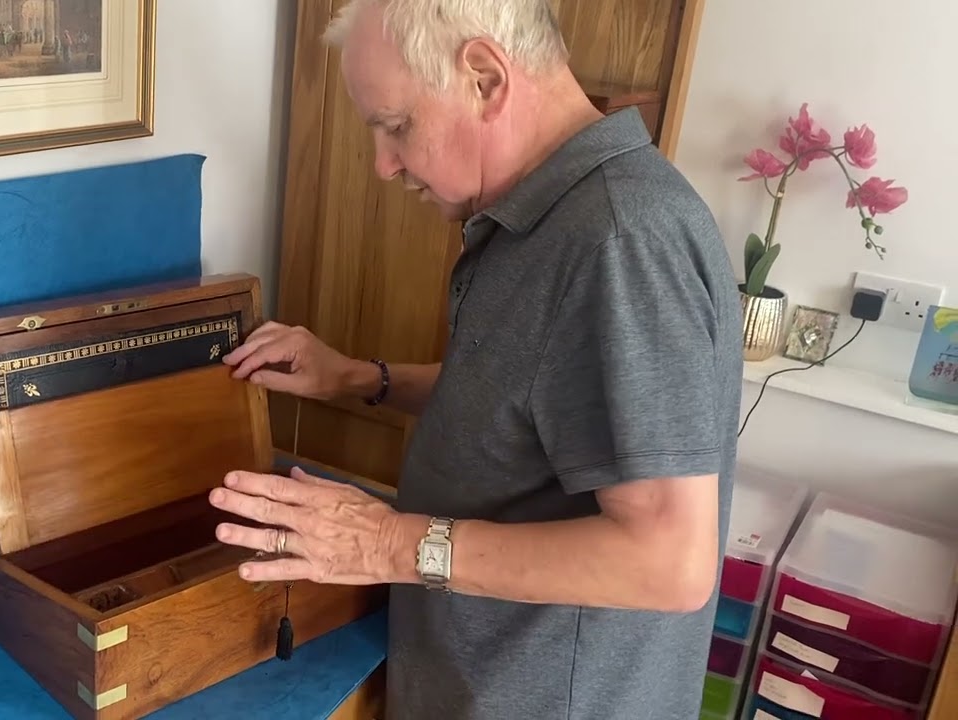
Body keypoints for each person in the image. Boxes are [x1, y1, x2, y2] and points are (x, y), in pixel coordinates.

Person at [207, 1, 744, 717]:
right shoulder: (540, 217)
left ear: (486, 78)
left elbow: (669, 562)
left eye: (397, 126)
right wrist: (359, 378)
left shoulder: (618, 240)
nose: (383, 164)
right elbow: (524, 405)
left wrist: (387, 544)